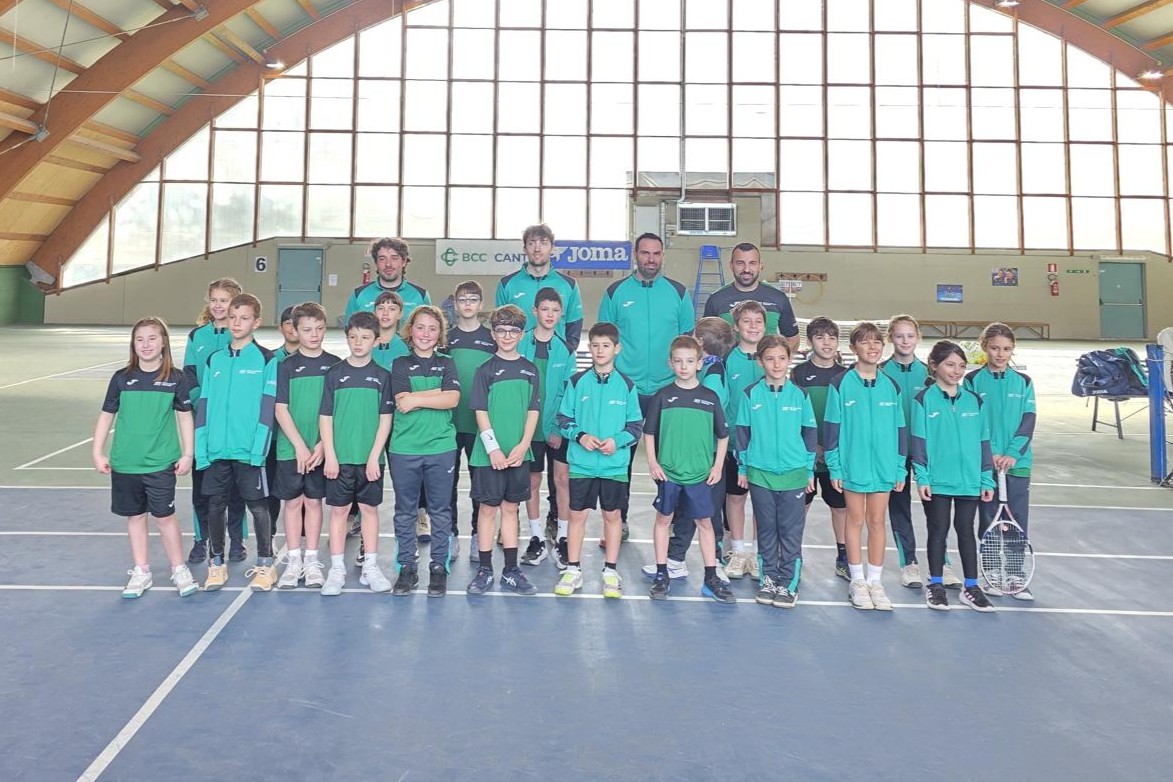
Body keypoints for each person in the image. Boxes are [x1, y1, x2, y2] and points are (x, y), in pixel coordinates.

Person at [598, 232, 695, 538]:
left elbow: (687, 341)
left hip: (667, 388)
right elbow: (604, 339)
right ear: (635, 255)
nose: (651, 259)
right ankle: (619, 520)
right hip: (627, 388)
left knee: (669, 458)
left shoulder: (679, 293)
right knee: (620, 458)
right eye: (645, 253)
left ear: (662, 256)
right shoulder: (615, 292)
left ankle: (674, 518)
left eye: (656, 253)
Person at [93, 317, 198, 599]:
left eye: (152, 338)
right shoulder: (121, 378)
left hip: (160, 463)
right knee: (136, 517)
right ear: (133, 344)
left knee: (165, 517)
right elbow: (106, 415)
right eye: (139, 339)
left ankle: (179, 568)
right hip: (125, 463)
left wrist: (188, 453)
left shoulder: (176, 378)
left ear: (163, 342)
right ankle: (142, 571)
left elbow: (185, 417)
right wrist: (97, 451)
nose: (146, 344)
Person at [194, 293, 279, 592]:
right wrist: (201, 448)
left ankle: (266, 565)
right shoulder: (214, 360)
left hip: (249, 452)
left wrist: (258, 449)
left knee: (258, 507)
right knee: (215, 506)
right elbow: (204, 405)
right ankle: (216, 563)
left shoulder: (266, 359)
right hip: (217, 450)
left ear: (256, 322)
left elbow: (268, 408)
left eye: (244, 318)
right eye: (232, 317)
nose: (236, 323)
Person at [553, 322, 643, 598]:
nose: (600, 350)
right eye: (595, 345)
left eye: (606, 345)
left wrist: (617, 441)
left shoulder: (627, 386)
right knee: (577, 515)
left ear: (617, 348)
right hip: (581, 465)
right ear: (589, 348)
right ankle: (573, 569)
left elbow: (635, 426)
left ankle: (611, 571)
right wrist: (580, 436)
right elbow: (563, 419)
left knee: (612, 515)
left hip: (614, 466)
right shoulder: (577, 382)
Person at [643, 316, 735, 581]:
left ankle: (714, 564)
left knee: (706, 514)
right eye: (678, 361)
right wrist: (654, 460)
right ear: (671, 363)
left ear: (701, 345)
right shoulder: (669, 392)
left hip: (702, 458)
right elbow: (650, 431)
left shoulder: (712, 379)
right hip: (681, 460)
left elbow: (714, 423)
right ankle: (674, 560)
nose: (684, 366)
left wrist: (715, 464)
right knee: (683, 512)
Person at [824, 322, 907, 611]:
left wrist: (899, 467)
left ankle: (875, 582)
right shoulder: (840, 384)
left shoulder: (891, 386)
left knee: (877, 522)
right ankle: (857, 581)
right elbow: (832, 428)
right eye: (865, 342)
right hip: (853, 467)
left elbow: (900, 430)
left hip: (884, 468)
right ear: (853, 348)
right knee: (855, 520)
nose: (872, 347)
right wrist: (835, 467)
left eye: (877, 342)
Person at [912, 341, 996, 612]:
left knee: (966, 531)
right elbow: (919, 441)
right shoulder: (923, 399)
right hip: (938, 480)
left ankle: (971, 587)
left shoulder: (975, 401)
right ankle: (936, 584)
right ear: (934, 366)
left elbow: (984, 441)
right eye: (950, 364)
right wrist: (922, 477)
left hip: (969, 481)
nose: (956, 371)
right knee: (938, 530)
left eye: (961, 366)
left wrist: (986, 478)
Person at [735, 335, 817, 608]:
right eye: (770, 359)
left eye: (782, 358)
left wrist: (808, 470)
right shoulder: (750, 394)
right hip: (760, 474)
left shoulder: (800, 395)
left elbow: (809, 433)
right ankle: (768, 579)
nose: (777, 364)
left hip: (794, 474)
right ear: (760, 362)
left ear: (789, 360)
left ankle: (788, 583)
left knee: (790, 531)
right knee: (767, 530)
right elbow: (743, 433)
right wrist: (743, 467)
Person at [878, 314, 958, 589]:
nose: (905, 341)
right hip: (894, 454)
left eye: (910, 336)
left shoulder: (930, 374)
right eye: (899, 336)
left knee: (936, 511)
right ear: (890, 338)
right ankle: (908, 563)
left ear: (918, 338)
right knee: (899, 509)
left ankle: (942, 563)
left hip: (928, 453)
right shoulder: (880, 373)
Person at [466, 305, 541, 596]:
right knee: (488, 509)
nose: (507, 336)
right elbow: (480, 411)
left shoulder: (530, 370)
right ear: (493, 334)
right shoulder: (485, 370)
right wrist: (493, 449)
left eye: (513, 331)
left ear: (522, 334)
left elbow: (533, 411)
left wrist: (523, 445)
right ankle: (485, 570)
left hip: (518, 454)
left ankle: (511, 570)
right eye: (501, 330)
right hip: (490, 455)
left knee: (511, 509)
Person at [318, 312, 395, 596]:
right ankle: (336, 569)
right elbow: (326, 417)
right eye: (353, 337)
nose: (358, 343)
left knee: (369, 510)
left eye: (365, 337)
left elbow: (385, 419)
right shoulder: (334, 374)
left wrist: (375, 456)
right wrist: (331, 455)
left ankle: (370, 567)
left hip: (370, 460)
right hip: (340, 460)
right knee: (339, 511)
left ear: (376, 340)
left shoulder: (382, 377)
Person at [388, 305, 461, 598]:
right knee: (405, 512)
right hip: (404, 448)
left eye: (432, 328)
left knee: (440, 511)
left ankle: (438, 568)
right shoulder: (399, 364)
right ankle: (407, 567)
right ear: (411, 330)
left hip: (441, 447)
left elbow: (453, 399)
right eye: (420, 327)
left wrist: (418, 397)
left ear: (440, 333)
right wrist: (437, 393)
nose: (426, 334)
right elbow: (402, 402)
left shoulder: (447, 363)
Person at [965, 322, 1037, 601]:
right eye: (994, 348)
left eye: (1006, 349)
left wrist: (1013, 453)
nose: (1000, 354)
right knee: (988, 519)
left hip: (1018, 465)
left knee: (1017, 520)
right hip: (986, 464)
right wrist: (992, 453)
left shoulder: (1024, 382)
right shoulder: (972, 380)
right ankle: (992, 572)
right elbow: (974, 420)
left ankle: (1016, 574)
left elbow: (1028, 420)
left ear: (1013, 350)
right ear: (985, 347)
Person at [273, 303, 340, 590]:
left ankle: (311, 560)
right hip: (292, 448)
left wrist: (323, 444)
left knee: (314, 502)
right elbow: (280, 409)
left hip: (321, 448)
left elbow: (338, 410)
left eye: (319, 329)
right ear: (295, 331)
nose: (314, 335)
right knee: (293, 503)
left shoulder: (335, 365)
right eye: (307, 330)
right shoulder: (286, 366)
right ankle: (294, 560)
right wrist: (300, 446)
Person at [183, 278, 247, 564]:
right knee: (202, 489)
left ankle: (237, 540)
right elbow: (189, 375)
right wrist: (205, 408)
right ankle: (202, 539)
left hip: (234, 429)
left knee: (235, 489)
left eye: (224, 300)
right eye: (214, 300)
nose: (218, 305)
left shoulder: (243, 336)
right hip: (204, 427)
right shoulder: (197, 336)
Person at [519, 287, 575, 568]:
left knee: (562, 480)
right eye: (545, 309)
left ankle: (563, 537)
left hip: (555, 429)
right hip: (528, 430)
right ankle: (536, 538)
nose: (550, 315)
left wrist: (556, 427)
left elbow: (568, 394)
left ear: (561, 314)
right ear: (535, 312)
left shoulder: (566, 350)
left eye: (555, 310)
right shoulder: (520, 344)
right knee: (532, 482)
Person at [790, 317, 848, 579]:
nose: (827, 343)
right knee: (801, 506)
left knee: (841, 508)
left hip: (837, 457)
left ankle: (844, 556)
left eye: (832, 338)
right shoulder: (799, 373)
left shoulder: (846, 376)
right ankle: (794, 554)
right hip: (807, 457)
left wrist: (833, 448)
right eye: (820, 337)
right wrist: (812, 446)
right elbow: (795, 414)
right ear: (810, 341)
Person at [445, 280, 496, 561]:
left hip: (479, 425)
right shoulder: (446, 338)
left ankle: (479, 535)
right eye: (462, 299)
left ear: (480, 304)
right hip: (449, 424)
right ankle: (450, 535)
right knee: (447, 485)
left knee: (480, 485)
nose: (467, 304)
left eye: (473, 299)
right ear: (455, 304)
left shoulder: (491, 338)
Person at [723, 300, 768, 580]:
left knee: (762, 502)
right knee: (736, 497)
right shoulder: (728, 359)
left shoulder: (772, 356)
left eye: (758, 321)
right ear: (737, 326)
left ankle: (759, 554)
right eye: (747, 321)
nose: (753, 326)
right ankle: (738, 552)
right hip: (735, 443)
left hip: (765, 445)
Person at [495, 223, 584, 348]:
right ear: (524, 249)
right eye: (531, 243)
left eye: (543, 243)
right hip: (518, 355)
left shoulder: (569, 285)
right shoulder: (507, 284)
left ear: (552, 248)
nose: (537, 249)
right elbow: (499, 326)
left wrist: (564, 353)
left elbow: (574, 326)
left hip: (555, 356)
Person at [702, 242, 800, 352]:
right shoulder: (716, 299)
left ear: (760, 266)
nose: (746, 269)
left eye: (752, 263)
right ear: (731, 266)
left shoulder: (778, 298)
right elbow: (706, 342)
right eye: (740, 263)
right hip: (730, 363)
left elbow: (793, 340)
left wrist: (774, 359)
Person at [344, 237, 431, 322]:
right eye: (382, 259)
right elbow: (350, 329)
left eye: (394, 258)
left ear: (404, 261)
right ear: (376, 263)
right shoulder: (358, 295)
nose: (388, 264)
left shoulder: (421, 296)